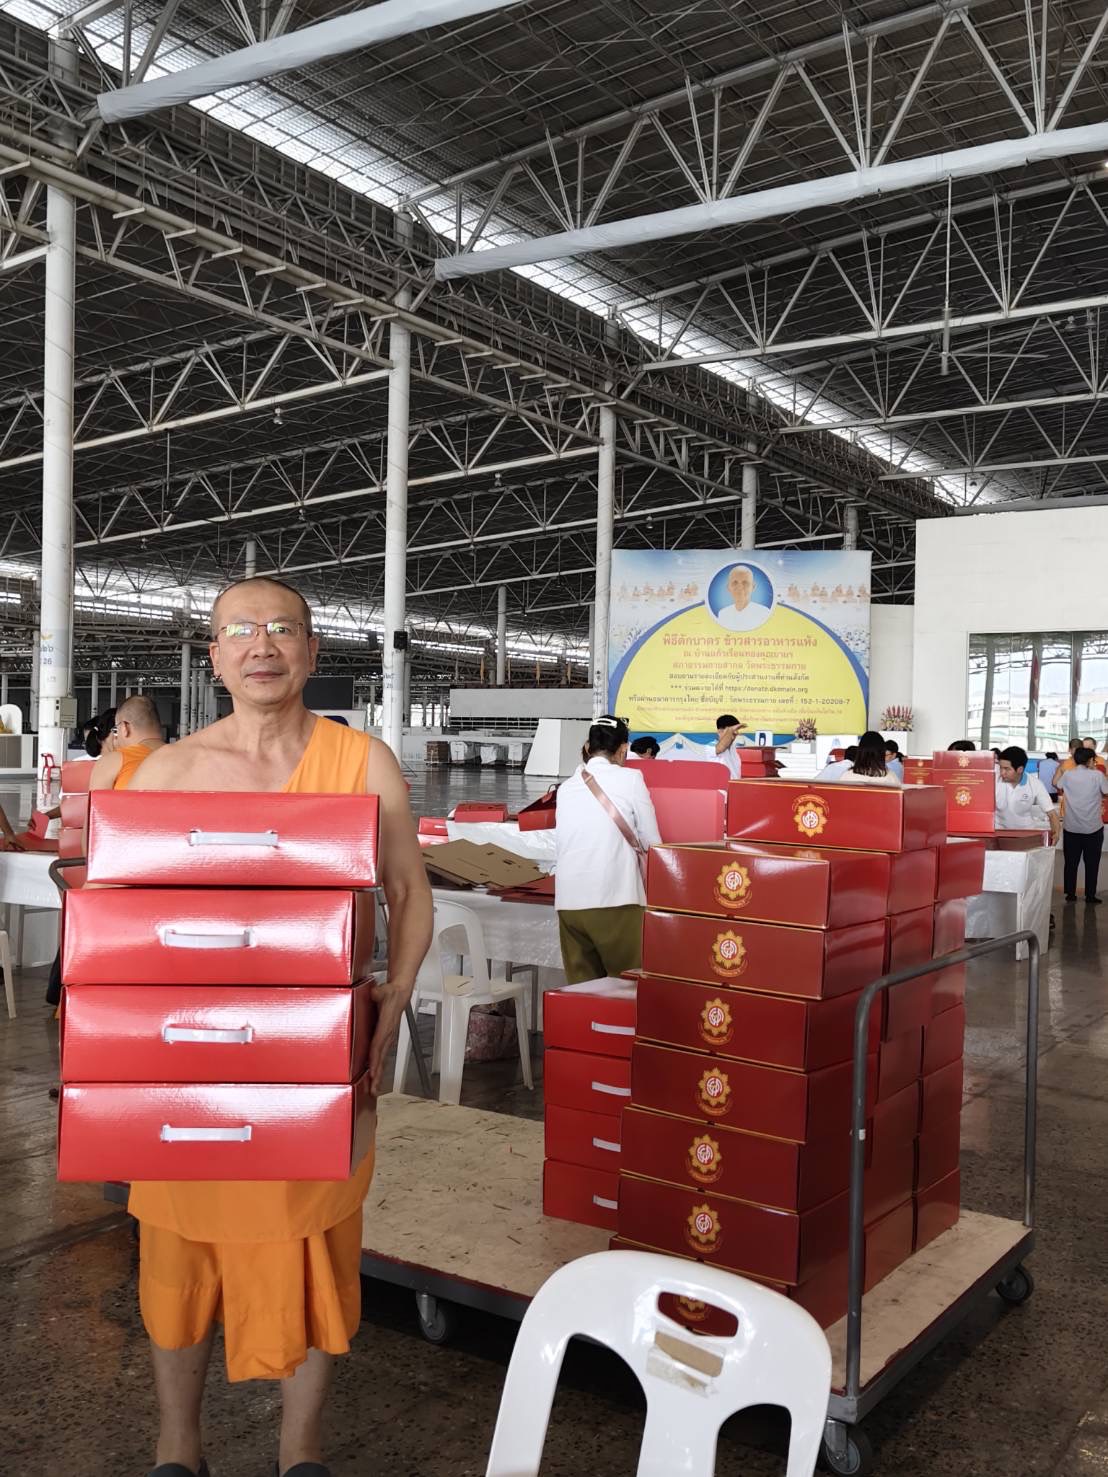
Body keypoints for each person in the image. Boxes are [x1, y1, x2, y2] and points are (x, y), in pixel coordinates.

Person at [125, 576, 433, 1477]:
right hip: (191, 1055)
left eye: (283, 629)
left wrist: (396, 994)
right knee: (178, 1249)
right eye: (241, 631)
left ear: (311, 650)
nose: (263, 645)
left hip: (319, 1055)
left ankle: (302, 1451)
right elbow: (129, 921)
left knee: (317, 1242)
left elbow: (409, 889)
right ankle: (177, 1446)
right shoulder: (170, 771)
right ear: (214, 656)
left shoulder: (360, 759)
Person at [555, 715, 661, 985]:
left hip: (568, 905)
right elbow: (652, 842)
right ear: (623, 748)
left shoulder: (566, 788)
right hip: (615, 899)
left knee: (582, 993)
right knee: (628, 990)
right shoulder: (631, 779)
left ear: (589, 746)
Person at [1056, 747, 1108, 903]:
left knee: (1071, 863)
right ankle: (1090, 895)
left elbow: (1058, 785)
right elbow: (1106, 791)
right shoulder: (1097, 776)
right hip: (1093, 828)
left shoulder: (1068, 775)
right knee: (1092, 864)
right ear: (1090, 760)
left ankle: (1070, 894)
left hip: (1071, 827)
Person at [88, 695, 165, 793]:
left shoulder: (113, 761)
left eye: (116, 730)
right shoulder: (182, 757)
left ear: (125, 728)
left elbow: (95, 806)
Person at [994, 745, 1060, 842]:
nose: (1002, 772)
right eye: (1001, 768)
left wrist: (1056, 833)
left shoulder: (1034, 784)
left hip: (1024, 833)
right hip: (998, 831)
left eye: (1007, 769)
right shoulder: (994, 779)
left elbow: (1051, 813)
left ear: (1020, 769)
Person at [714, 565, 771, 631]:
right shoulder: (723, 614)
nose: (740, 587)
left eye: (745, 583)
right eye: (735, 583)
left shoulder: (764, 613)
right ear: (728, 587)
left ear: (753, 587)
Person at [714, 713, 746, 779]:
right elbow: (720, 748)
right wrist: (731, 730)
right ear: (720, 731)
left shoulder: (733, 748)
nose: (736, 733)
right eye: (732, 732)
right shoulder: (710, 747)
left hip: (734, 787)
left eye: (736, 731)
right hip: (721, 789)